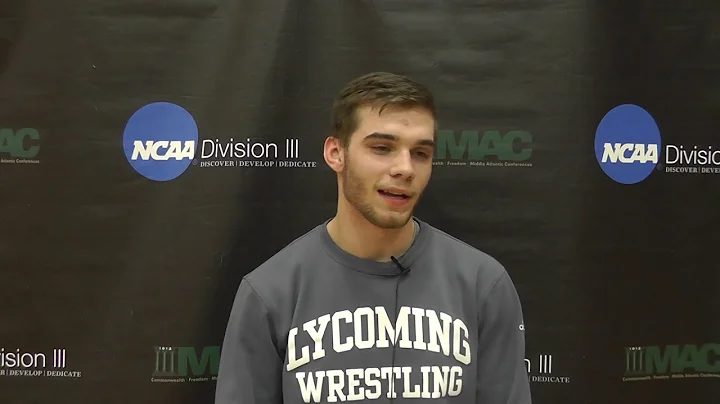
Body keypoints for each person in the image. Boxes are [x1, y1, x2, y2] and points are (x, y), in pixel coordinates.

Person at [215, 72, 531, 403]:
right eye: (382, 148)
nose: (405, 168)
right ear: (336, 153)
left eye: (420, 153)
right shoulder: (269, 292)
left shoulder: (483, 284)